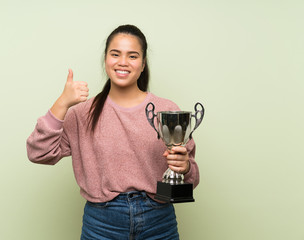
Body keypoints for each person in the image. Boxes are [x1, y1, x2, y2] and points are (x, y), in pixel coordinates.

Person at [26, 24, 199, 240]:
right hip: (101, 224)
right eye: (115, 54)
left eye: (132, 56)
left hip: (158, 221)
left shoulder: (167, 110)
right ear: (106, 59)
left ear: (143, 64)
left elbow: (191, 178)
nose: (123, 62)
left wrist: (185, 167)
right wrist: (61, 104)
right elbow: (39, 153)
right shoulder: (82, 113)